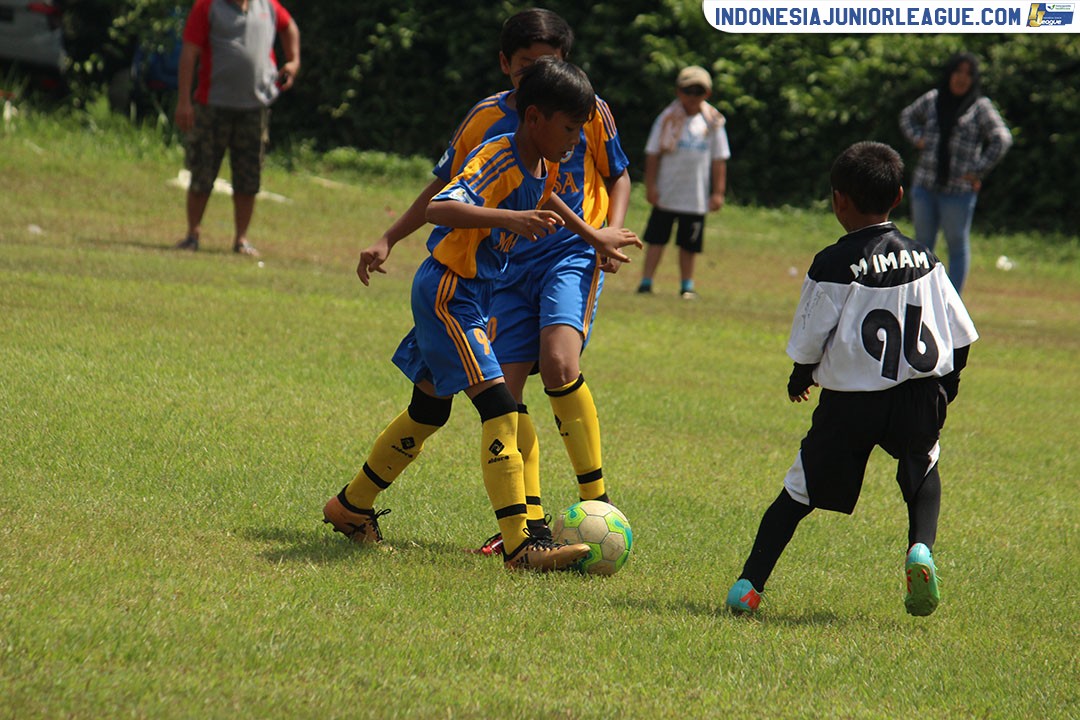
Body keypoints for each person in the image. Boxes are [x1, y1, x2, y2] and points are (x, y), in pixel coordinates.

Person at [322, 58, 641, 571]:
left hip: (470, 292)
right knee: (500, 409)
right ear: (534, 117)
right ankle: (522, 546)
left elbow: (549, 200)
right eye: (568, 128)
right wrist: (509, 218)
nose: (575, 140)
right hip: (450, 293)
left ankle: (350, 506)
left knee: (429, 411)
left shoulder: (543, 161)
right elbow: (442, 207)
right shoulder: (498, 155)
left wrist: (593, 235)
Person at [724, 141, 978, 617]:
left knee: (798, 491)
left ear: (838, 200)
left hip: (852, 402)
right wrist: (947, 387)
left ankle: (749, 586)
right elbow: (960, 335)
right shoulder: (926, 258)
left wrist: (800, 376)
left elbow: (809, 339)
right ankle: (920, 548)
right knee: (922, 466)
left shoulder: (834, 263)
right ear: (898, 196)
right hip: (918, 394)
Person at [173, 0, 301, 258]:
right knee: (202, 170)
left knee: (248, 175)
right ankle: (192, 234)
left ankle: (241, 239)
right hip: (213, 104)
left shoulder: (268, 6)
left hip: (255, 107)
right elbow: (189, 53)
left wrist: (293, 61)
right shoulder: (207, 6)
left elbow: (290, 27)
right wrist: (184, 101)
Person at [899, 51, 1012, 294]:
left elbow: (1002, 138)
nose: (962, 78)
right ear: (949, 74)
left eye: (968, 74)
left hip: (959, 190)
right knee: (922, 246)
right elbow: (907, 116)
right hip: (926, 185)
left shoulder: (980, 107)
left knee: (956, 245)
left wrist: (978, 169)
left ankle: (952, 300)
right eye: (957, 72)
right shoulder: (933, 99)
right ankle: (921, 295)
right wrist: (918, 138)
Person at [637, 65, 730, 300]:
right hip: (667, 192)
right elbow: (652, 154)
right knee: (656, 239)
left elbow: (719, 159)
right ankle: (646, 281)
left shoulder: (713, 122)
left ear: (707, 93)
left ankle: (686, 285)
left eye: (699, 91)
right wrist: (651, 186)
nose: (692, 96)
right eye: (688, 91)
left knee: (689, 244)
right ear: (678, 91)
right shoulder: (667, 118)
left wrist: (718, 192)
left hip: (695, 195)